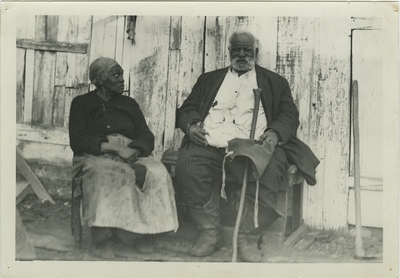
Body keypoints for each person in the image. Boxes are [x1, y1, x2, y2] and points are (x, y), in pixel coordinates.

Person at [176, 31, 318, 261]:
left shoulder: (275, 82)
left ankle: (247, 236)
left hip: (253, 144)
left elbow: (289, 115)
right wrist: (191, 125)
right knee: (187, 165)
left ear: (256, 53)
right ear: (229, 51)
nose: (241, 55)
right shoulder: (209, 80)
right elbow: (188, 108)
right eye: (236, 49)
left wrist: (273, 133)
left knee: (271, 170)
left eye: (247, 50)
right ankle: (209, 232)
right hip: (211, 142)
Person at [69, 57, 178, 258]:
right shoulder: (81, 103)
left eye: (121, 74)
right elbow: (78, 140)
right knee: (107, 173)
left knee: (156, 172)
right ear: (100, 79)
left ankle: (143, 234)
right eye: (116, 75)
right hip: (95, 155)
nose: (122, 79)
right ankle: (101, 240)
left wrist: (133, 150)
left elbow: (146, 135)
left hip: (131, 153)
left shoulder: (129, 104)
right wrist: (114, 149)